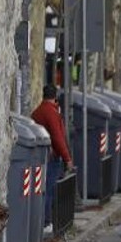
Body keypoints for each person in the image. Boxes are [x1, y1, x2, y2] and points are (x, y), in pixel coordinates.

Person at [31, 85, 74, 230]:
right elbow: (57, 137)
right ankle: (46, 222)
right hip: (52, 157)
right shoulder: (52, 113)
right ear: (55, 96)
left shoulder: (37, 111)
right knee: (49, 190)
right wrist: (67, 158)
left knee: (41, 190)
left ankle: (42, 221)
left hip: (40, 156)